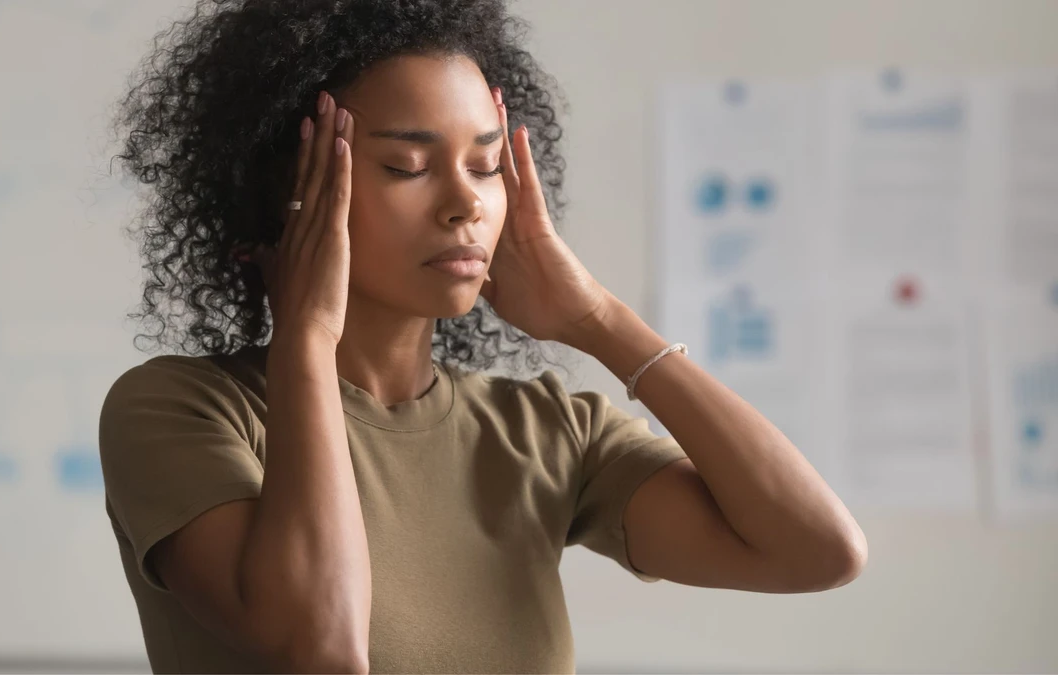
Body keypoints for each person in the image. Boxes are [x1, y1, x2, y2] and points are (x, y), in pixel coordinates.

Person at [99, 0, 867, 672]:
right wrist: (305, 338)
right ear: (274, 199)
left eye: (488, 163)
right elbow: (323, 644)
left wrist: (600, 320)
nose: (466, 201)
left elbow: (818, 551)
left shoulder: (545, 431)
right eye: (407, 165)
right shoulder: (178, 409)